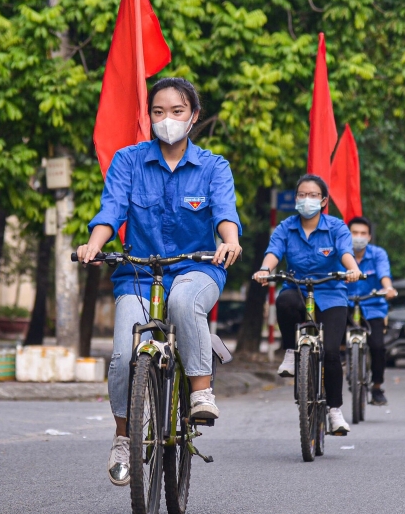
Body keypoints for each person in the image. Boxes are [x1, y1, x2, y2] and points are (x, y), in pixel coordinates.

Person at [76, 77, 242, 487]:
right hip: (137, 272)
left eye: (177, 111)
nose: (167, 119)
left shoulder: (213, 166)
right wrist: (93, 244)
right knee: (120, 355)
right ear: (148, 117)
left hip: (197, 268)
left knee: (185, 302)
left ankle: (201, 392)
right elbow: (111, 210)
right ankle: (122, 437)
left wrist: (230, 241)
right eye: (158, 112)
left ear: (194, 117)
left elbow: (224, 212)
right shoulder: (128, 161)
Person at [252, 175, 362, 435]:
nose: (306, 199)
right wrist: (264, 269)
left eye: (312, 195)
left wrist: (353, 269)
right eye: (301, 194)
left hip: (332, 292)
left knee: (333, 353)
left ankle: (335, 411)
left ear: (323, 201)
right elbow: (274, 252)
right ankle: (291, 352)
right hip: (298, 289)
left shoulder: (336, 227)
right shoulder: (285, 227)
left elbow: (345, 252)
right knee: (284, 300)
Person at [345, 217, 398, 406]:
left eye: (362, 233)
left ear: (369, 236)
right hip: (345, 305)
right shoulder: (340, 254)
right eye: (354, 233)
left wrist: (388, 289)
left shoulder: (378, 254)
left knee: (378, 347)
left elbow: (384, 275)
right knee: (331, 343)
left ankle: (376, 387)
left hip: (373, 306)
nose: (358, 237)